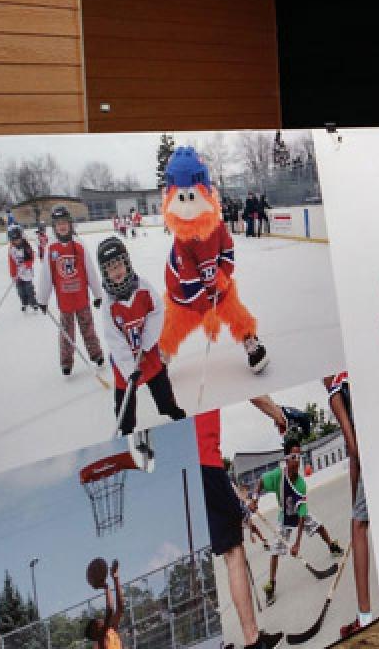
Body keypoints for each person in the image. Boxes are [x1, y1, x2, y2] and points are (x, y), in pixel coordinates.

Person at [194, 411, 283, 649]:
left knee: (232, 554)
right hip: (207, 464)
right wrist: (280, 415)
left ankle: (253, 636)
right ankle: (253, 640)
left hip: (203, 469)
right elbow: (258, 398)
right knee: (234, 554)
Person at [97, 237, 186, 435]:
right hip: (125, 363)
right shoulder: (108, 306)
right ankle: (125, 429)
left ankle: (173, 412)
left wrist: (146, 342)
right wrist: (129, 369)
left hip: (149, 353)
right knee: (125, 404)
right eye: (111, 268)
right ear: (105, 273)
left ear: (127, 263)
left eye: (119, 264)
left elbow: (157, 311)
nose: (117, 271)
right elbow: (114, 341)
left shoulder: (143, 288)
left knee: (162, 390)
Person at [251, 433, 343, 605]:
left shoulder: (301, 484)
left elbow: (301, 517)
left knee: (318, 526)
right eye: (294, 456)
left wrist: (297, 544)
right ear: (286, 458)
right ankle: (271, 584)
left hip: (298, 514)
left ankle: (332, 546)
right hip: (284, 516)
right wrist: (255, 499)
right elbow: (260, 481)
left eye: (299, 456)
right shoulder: (278, 476)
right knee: (275, 550)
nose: (297, 460)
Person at [324, 371, 373, 638]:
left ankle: (364, 618)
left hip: (372, 451)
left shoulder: (334, 388)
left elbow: (353, 449)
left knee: (359, 527)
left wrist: (355, 507)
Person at [35, 205, 105, 376]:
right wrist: (42, 299)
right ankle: (66, 362)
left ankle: (96, 354)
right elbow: (46, 276)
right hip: (65, 302)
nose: (62, 226)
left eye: (65, 222)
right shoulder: (51, 249)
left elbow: (90, 271)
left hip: (82, 299)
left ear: (70, 224)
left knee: (88, 329)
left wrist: (97, 294)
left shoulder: (79, 245)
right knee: (66, 333)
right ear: (54, 226)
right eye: (58, 223)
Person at [83, 559, 123, 649]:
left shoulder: (110, 631)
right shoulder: (101, 640)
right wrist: (106, 587)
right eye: (98, 623)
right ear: (96, 632)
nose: (101, 620)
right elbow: (110, 610)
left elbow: (120, 608)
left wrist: (116, 578)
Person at [6, 225, 40, 312]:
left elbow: (32, 257)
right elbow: (12, 263)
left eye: (18, 239)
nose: (16, 241)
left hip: (27, 272)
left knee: (29, 289)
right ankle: (24, 302)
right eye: (14, 240)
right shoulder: (11, 249)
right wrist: (13, 274)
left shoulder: (26, 247)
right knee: (20, 290)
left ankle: (33, 302)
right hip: (18, 275)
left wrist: (25, 265)